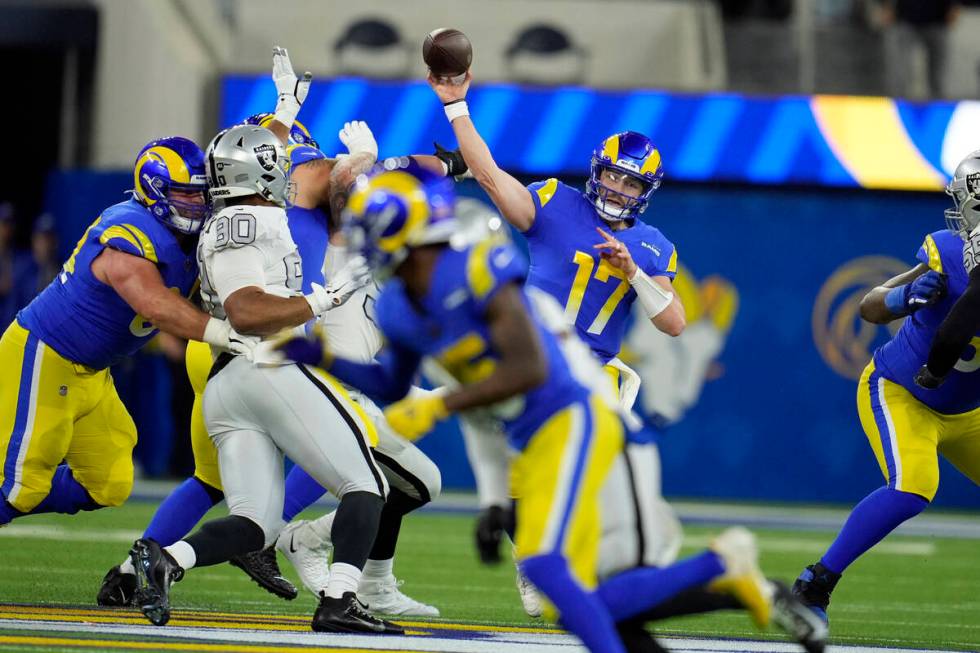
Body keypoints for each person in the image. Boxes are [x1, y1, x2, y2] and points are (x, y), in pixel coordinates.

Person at [274, 163, 774, 653]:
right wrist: (318, 355)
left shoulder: (482, 275)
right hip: (530, 430)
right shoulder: (399, 306)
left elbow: (528, 371)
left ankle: (717, 568)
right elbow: (407, 389)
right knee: (563, 589)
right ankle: (718, 568)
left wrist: (437, 406)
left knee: (553, 570)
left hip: (578, 417)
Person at [126, 124, 402, 635]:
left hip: (230, 385)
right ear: (263, 172)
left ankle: (166, 559)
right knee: (368, 483)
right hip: (270, 365)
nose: (289, 175)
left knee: (254, 526)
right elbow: (246, 310)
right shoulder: (250, 220)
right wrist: (325, 298)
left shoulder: (234, 217)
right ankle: (340, 599)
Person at [428, 71, 684, 613]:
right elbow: (492, 178)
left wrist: (634, 271)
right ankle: (541, 562)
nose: (620, 190)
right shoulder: (556, 202)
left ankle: (568, 566)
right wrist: (456, 107)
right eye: (615, 177)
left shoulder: (653, 246)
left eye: (632, 185)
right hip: (532, 356)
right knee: (532, 470)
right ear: (597, 173)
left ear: (647, 193)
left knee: (594, 481)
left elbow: (674, 322)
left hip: (593, 371)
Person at [0, 135, 254, 528]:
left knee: (110, 483)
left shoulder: (192, 238)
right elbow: (154, 304)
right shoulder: (127, 229)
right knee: (19, 486)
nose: (196, 203)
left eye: (200, 194)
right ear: (154, 191)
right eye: (184, 194)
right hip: (44, 354)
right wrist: (226, 334)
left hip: (93, 371)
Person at [792, 150, 980, 624]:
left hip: (968, 410)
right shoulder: (947, 251)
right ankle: (816, 584)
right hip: (902, 391)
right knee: (913, 486)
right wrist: (902, 297)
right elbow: (870, 306)